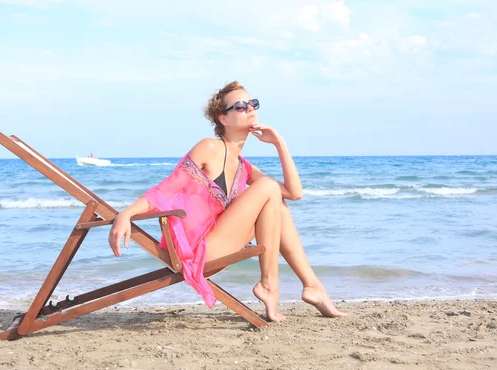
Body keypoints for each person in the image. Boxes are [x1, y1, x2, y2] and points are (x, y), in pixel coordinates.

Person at [108, 81, 346, 322]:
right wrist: (126, 213)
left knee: (278, 205)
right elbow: (166, 189)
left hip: (219, 245)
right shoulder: (208, 147)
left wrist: (279, 143)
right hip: (198, 251)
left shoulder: (243, 167)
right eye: (241, 106)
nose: (251, 109)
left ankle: (312, 286)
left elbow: (294, 193)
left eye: (253, 104)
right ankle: (269, 285)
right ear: (223, 119)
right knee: (268, 188)